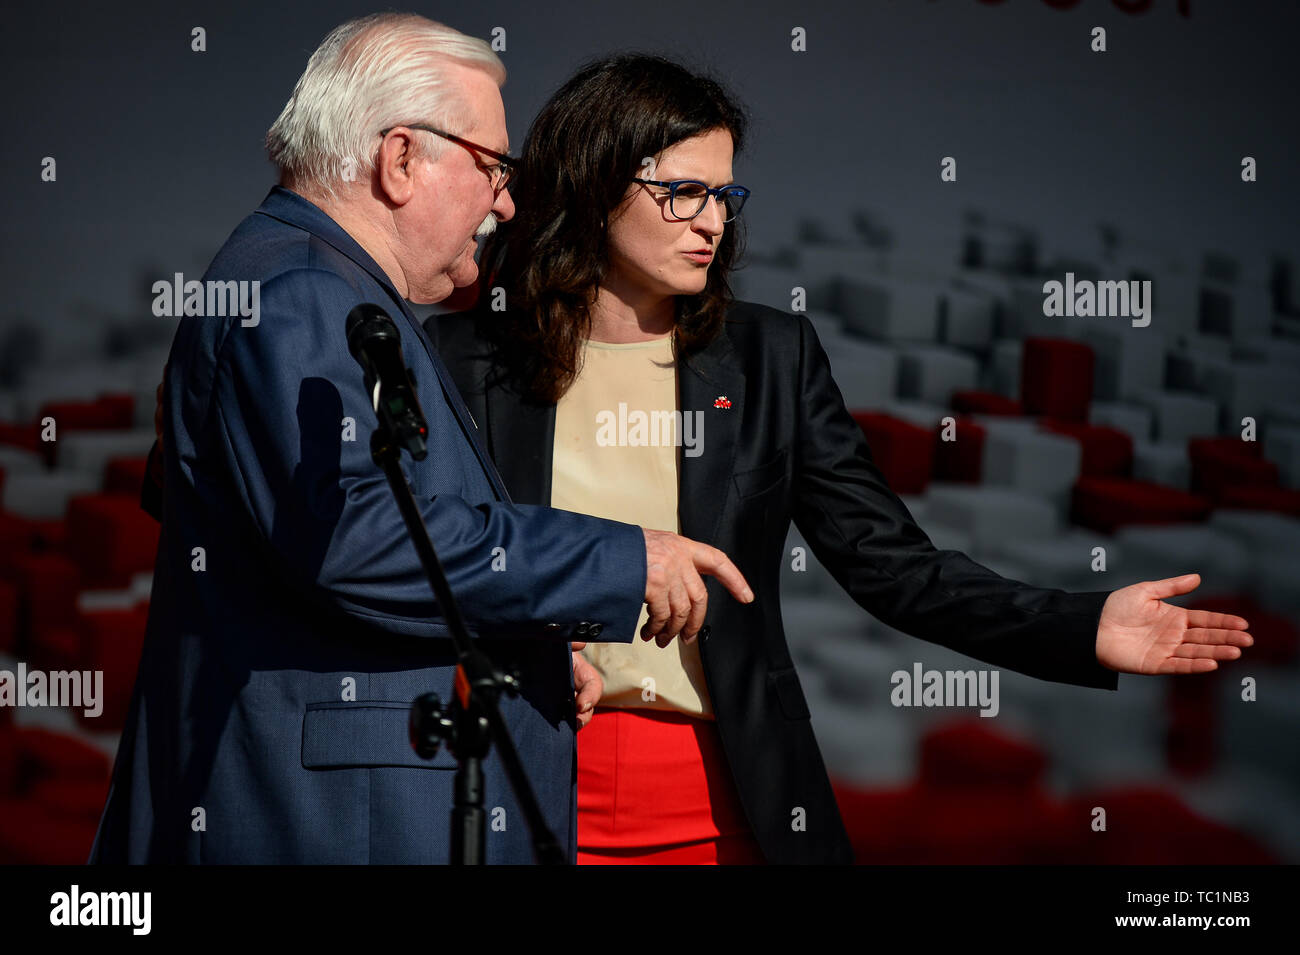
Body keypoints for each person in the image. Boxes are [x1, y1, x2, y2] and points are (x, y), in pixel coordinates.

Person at [431, 53, 1256, 864]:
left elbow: (893, 565)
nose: (712, 222)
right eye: (683, 192)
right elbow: (426, 559)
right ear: (593, 183)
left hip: (729, 797)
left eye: (723, 195)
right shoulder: (465, 358)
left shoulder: (770, 358)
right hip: (516, 776)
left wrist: (1083, 625)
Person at [91, 15, 751, 865]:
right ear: (401, 159)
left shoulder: (312, 283)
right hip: (330, 826)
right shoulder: (300, 293)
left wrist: (528, 641)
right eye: (494, 168)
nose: (507, 202)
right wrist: (629, 560)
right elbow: (354, 538)